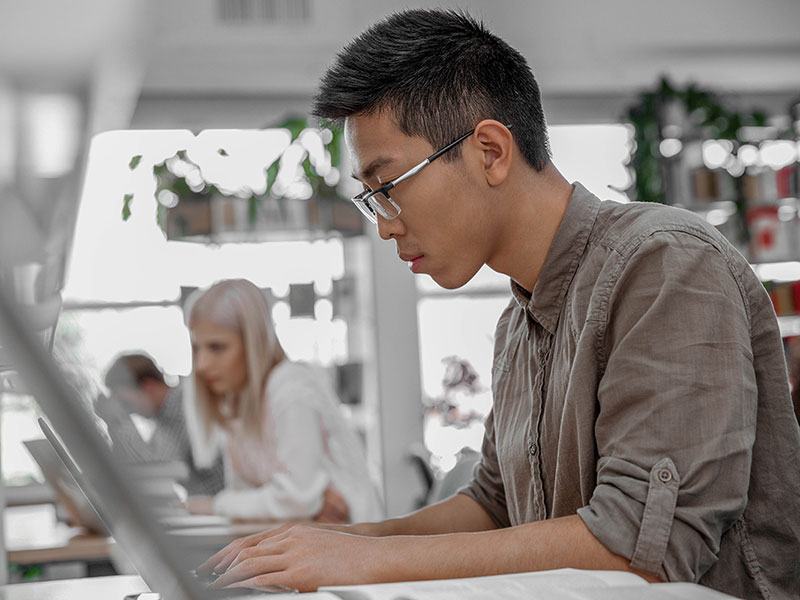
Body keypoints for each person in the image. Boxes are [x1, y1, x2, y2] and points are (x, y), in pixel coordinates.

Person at [197, 9, 800, 599]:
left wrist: (369, 557)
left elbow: (640, 548)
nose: (384, 226)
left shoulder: (666, 263)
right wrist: (324, 544)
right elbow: (492, 506)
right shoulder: (518, 323)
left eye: (387, 187)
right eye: (370, 198)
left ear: (489, 150)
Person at [182, 278, 382, 524]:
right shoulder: (236, 400)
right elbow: (253, 498)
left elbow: (296, 499)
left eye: (217, 347)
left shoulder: (290, 388)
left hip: (352, 546)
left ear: (253, 342)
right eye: (196, 349)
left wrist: (219, 505)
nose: (201, 365)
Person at [98, 353, 225, 497]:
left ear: (148, 386)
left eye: (126, 403)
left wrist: (119, 423)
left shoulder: (182, 408)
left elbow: (157, 471)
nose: (129, 411)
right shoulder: (165, 418)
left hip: (224, 508)